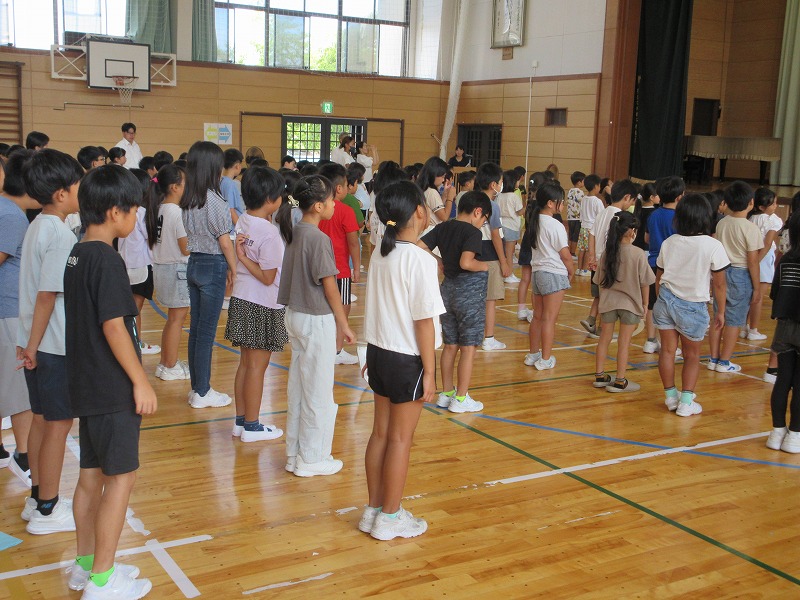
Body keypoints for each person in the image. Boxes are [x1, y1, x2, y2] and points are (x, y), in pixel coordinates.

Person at [64, 164, 155, 599]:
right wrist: (140, 381)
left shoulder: (77, 253)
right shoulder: (108, 259)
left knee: (90, 476)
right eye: (134, 210)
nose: (136, 217)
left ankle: (86, 565)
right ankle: (102, 580)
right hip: (111, 385)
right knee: (121, 478)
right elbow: (115, 325)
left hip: (86, 382)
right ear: (116, 211)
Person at [360, 179, 444, 540]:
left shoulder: (381, 253)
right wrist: (431, 373)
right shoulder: (420, 260)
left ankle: (374, 510)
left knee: (381, 434)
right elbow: (424, 322)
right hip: (407, 359)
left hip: (378, 353)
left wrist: (371, 350)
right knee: (399, 440)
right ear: (420, 212)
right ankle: (390, 517)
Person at [17, 149, 83, 533]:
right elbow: (47, 295)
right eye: (77, 185)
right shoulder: (60, 234)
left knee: (42, 421)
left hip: (35, 342)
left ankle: (36, 497)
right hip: (52, 345)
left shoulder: (36, 225)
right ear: (61, 193)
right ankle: (48, 509)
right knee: (58, 425)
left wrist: (28, 343)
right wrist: (33, 345)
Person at [277, 175, 355, 477]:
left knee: (299, 388)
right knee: (318, 392)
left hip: (295, 315)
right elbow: (329, 285)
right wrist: (343, 323)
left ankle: (295, 454)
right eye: (332, 199)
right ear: (319, 206)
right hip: (314, 319)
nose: (335, 204)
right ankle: (312, 458)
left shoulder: (295, 231)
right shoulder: (318, 238)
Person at [225, 167, 288, 443]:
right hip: (261, 304)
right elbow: (267, 277)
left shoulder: (244, 220)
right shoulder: (270, 233)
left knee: (246, 364)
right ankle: (252, 425)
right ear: (270, 199)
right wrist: (243, 258)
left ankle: (241, 422)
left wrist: (242, 257)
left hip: (242, 299)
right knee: (256, 368)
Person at [654, 193, 729, 417]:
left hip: (665, 299)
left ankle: (671, 397)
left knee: (667, 351)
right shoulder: (713, 245)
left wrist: (661, 299)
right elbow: (719, 284)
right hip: (692, 305)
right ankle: (686, 402)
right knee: (692, 356)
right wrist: (721, 311)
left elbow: (659, 276)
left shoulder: (669, 242)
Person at [419, 190, 490, 413]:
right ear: (477, 212)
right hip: (469, 292)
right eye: (484, 219)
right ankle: (461, 398)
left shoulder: (444, 226)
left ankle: (447, 393)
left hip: (447, 291)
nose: (482, 224)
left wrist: (438, 260)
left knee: (450, 345)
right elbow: (467, 262)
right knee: (468, 347)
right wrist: (484, 266)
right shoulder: (473, 232)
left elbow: (419, 246)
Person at [181, 141, 236, 409]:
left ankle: (197, 388)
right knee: (205, 333)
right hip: (213, 264)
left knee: (196, 331)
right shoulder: (213, 200)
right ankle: (202, 391)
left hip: (194, 263)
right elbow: (224, 241)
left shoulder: (189, 198)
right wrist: (234, 268)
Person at [0, 151, 36, 489]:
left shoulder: (7, 210)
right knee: (19, 389)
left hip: (7, 310)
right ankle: (23, 456)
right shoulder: (12, 216)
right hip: (8, 311)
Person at [592, 211, 654, 392]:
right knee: (624, 343)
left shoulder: (607, 253)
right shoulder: (638, 253)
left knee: (604, 339)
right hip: (630, 304)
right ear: (632, 231)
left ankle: (599, 376)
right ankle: (620, 380)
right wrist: (645, 304)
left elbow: (598, 281)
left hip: (608, 303)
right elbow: (645, 283)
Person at [707, 181, 762, 373]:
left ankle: (713, 358)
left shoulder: (722, 222)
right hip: (741, 274)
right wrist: (757, 287)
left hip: (721, 272)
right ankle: (724, 362)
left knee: (718, 315)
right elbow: (753, 261)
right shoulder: (751, 228)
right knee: (734, 320)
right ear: (751, 203)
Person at [144, 163, 191, 381]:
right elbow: (185, 248)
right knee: (176, 320)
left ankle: (166, 362)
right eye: (185, 184)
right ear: (174, 187)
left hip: (162, 268)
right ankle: (170, 365)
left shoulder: (158, 208)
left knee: (172, 319)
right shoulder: (177, 212)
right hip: (177, 269)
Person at [524, 182, 574, 370]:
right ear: (551, 203)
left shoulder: (534, 221)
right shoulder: (555, 225)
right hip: (553, 273)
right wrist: (571, 270)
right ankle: (545, 359)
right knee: (549, 319)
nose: (563, 204)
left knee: (537, 317)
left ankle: (533, 354)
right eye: (561, 201)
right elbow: (565, 254)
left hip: (538, 273)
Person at [317, 162, 361, 364]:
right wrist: (356, 267)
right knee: (342, 309)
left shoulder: (316, 209)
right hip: (339, 270)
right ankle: (336, 350)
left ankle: (323, 348)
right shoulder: (345, 211)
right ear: (339, 188)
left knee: (323, 310)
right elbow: (353, 242)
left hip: (318, 269)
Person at [583, 180, 638, 337]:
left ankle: (591, 320)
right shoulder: (620, 217)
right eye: (632, 201)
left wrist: (592, 256)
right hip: (610, 262)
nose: (631, 205)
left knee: (600, 294)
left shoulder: (602, 212)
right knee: (607, 296)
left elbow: (591, 234)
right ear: (627, 197)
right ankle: (601, 328)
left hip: (597, 261)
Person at [766, 212, 800, 453]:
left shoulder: (786, 260)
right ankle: (795, 436)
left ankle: (777, 432)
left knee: (783, 379)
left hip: (784, 326)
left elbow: (775, 293)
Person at [643, 176, 685, 354]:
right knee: (670, 305)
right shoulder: (679, 218)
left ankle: (650, 341)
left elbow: (647, 238)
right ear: (679, 196)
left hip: (653, 263)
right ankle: (667, 344)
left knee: (653, 304)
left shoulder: (653, 215)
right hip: (672, 267)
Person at [476, 162, 511, 350]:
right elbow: (496, 235)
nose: (501, 185)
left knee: (474, 297)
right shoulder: (492, 206)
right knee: (490, 300)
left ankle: (472, 334)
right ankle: (488, 338)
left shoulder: (469, 200)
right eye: (500, 182)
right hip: (490, 255)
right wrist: (504, 262)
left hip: (472, 254)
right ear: (493, 185)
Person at [743, 187, 782, 341]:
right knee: (758, 296)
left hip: (751, 256)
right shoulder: (772, 220)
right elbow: (767, 243)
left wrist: (752, 262)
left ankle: (744, 327)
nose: (775, 206)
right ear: (761, 206)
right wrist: (757, 262)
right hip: (762, 258)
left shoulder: (750, 218)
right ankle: (753, 330)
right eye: (773, 204)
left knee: (750, 295)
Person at [633, 182, 659, 351]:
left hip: (636, 254)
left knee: (644, 297)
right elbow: (648, 239)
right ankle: (652, 339)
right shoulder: (655, 214)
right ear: (652, 197)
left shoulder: (637, 211)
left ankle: (651, 339)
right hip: (649, 256)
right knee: (651, 300)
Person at [498, 169, 523, 284]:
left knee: (502, 253)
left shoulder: (499, 196)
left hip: (501, 225)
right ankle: (509, 274)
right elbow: (519, 212)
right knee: (509, 253)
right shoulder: (514, 196)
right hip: (512, 227)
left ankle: (502, 274)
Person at [576, 174, 602, 277]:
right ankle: (585, 270)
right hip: (591, 229)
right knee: (588, 250)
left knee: (582, 249)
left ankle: (579, 269)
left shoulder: (584, 199)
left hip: (583, 227)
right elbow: (601, 215)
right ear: (595, 186)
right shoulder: (597, 201)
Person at [416, 156, 453, 229]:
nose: (443, 180)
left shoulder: (423, 189)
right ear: (434, 174)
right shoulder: (431, 192)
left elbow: (436, 209)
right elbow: (444, 217)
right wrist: (450, 198)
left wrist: (444, 196)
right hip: (431, 231)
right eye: (442, 177)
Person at [221, 148, 245, 226]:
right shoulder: (230, 184)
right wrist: (240, 229)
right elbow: (231, 210)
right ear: (237, 166)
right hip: (233, 227)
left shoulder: (221, 181)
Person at [566, 171, 585, 257]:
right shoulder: (580, 192)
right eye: (583, 181)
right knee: (575, 236)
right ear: (579, 182)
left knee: (570, 235)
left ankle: (569, 251)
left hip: (570, 217)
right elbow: (583, 204)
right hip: (577, 217)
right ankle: (572, 253)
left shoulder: (570, 191)